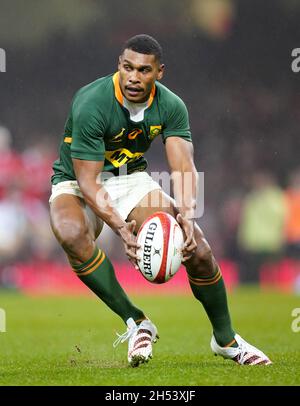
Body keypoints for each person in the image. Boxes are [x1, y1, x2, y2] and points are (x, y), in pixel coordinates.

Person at [49, 34, 271, 367]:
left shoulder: (170, 105)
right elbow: (88, 181)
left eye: (143, 70)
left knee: (199, 248)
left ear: (159, 72)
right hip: (78, 180)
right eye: (127, 68)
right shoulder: (92, 102)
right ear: (119, 67)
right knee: (70, 233)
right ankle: (137, 321)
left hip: (130, 179)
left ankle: (226, 340)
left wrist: (187, 215)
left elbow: (183, 165)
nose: (134, 77)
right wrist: (122, 230)